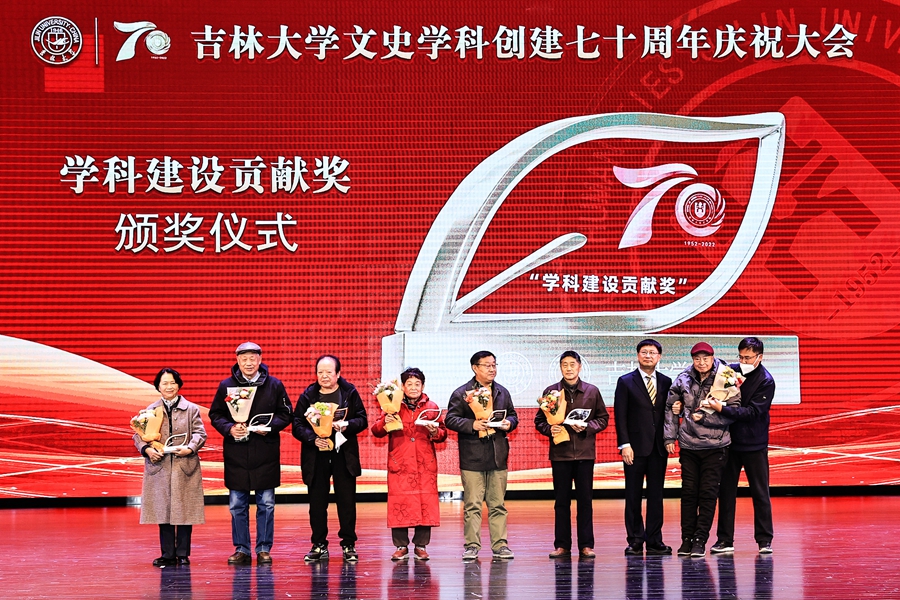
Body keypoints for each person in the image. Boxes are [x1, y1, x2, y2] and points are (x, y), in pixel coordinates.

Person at [209, 342, 293, 566]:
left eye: (252, 359)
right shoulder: (226, 386)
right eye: (244, 359)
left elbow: (286, 414)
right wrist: (229, 428)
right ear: (237, 360)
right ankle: (242, 549)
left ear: (260, 360)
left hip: (265, 452)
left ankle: (264, 548)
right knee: (237, 505)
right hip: (237, 453)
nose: (248, 363)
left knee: (266, 504)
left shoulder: (274, 385)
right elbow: (216, 414)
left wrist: (269, 427)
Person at [664, 342, 739, 558]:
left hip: (716, 445)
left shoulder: (726, 377)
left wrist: (706, 418)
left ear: (712, 358)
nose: (701, 362)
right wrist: (669, 436)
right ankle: (686, 539)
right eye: (697, 358)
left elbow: (734, 410)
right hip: (689, 445)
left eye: (705, 358)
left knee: (707, 494)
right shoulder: (683, 378)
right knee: (688, 493)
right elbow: (670, 408)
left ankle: (700, 539)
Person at [293, 355, 368, 563]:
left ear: (338, 374)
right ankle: (319, 544)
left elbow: (362, 419)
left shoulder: (349, 392)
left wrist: (346, 425)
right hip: (316, 455)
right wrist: (312, 438)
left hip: (343, 454)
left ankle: (348, 544)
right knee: (317, 503)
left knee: (347, 502)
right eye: (320, 372)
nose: (324, 376)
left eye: (328, 372)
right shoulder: (308, 395)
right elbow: (297, 424)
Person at [534, 350, 609, 559]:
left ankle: (586, 545)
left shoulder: (592, 391)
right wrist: (550, 429)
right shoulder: (551, 392)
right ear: (560, 367)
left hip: (585, 454)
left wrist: (587, 427)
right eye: (564, 365)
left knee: (585, 501)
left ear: (579, 367)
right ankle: (562, 545)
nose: (569, 368)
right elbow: (539, 421)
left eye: (572, 364)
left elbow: (603, 419)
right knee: (561, 502)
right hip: (561, 455)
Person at [445, 351, 518, 561]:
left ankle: (500, 545)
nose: (492, 369)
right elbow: (450, 419)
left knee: (498, 505)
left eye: (494, 365)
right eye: (487, 365)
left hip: (497, 455)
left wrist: (509, 423)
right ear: (475, 368)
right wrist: (472, 425)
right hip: (472, 456)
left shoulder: (502, 392)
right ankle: (472, 545)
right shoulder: (462, 393)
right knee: (473, 505)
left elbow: (513, 415)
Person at [706, 337, 776, 555]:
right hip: (729, 442)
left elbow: (753, 412)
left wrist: (722, 409)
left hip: (755, 444)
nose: (743, 361)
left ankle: (764, 540)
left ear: (759, 357)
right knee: (726, 492)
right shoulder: (731, 371)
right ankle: (724, 540)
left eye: (748, 357)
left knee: (760, 493)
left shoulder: (766, 380)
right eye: (741, 356)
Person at [371, 367, 448, 561]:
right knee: (399, 503)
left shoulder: (432, 407)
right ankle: (401, 546)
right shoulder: (392, 404)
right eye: (409, 384)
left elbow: (443, 434)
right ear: (403, 387)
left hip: (424, 464)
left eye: (417, 384)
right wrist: (385, 420)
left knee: (425, 504)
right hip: (400, 463)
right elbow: (376, 431)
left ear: (423, 386)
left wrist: (434, 432)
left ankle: (421, 545)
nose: (413, 388)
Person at [134, 368, 207, 567]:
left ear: (179, 385)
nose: (169, 387)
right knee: (163, 510)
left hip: (185, 466)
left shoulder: (191, 409)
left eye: (172, 382)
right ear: (158, 386)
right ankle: (167, 554)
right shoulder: (150, 410)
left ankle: (183, 554)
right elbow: (138, 436)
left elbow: (200, 434)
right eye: (164, 383)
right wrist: (147, 450)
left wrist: (190, 448)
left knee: (184, 510)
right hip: (160, 466)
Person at [614, 339, 673, 556]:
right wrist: (625, 445)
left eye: (652, 352)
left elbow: (668, 413)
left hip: (658, 448)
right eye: (644, 352)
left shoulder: (666, 382)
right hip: (634, 448)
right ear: (638, 355)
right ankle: (635, 540)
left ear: (659, 356)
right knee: (633, 495)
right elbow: (620, 416)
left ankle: (655, 540)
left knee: (656, 496)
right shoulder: (625, 381)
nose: (648, 356)